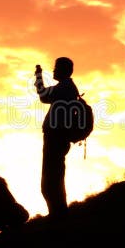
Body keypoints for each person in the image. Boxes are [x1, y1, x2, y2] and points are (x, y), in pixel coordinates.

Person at [34, 57, 80, 219]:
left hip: (56, 138)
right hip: (58, 138)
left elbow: (43, 95)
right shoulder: (67, 87)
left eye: (56, 68)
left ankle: (58, 215)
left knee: (50, 182)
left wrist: (38, 77)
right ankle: (58, 214)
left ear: (64, 70)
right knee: (53, 179)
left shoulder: (65, 87)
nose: (53, 71)